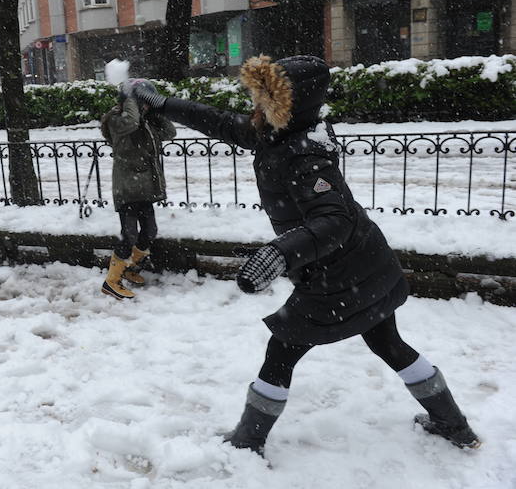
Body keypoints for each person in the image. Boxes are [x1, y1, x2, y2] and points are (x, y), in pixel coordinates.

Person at [129, 55, 479, 454]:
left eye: (265, 98)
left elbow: (333, 220)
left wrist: (280, 253)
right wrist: (161, 103)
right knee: (388, 343)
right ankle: (453, 425)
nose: (255, 107)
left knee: (282, 350)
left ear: (285, 105)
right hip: (367, 263)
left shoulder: (304, 153)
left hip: (338, 274)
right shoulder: (285, 132)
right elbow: (223, 123)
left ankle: (248, 441)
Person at [99, 80, 176, 300]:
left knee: (150, 231)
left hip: (146, 189)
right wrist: (131, 99)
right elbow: (130, 122)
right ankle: (111, 282)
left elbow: (170, 132)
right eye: (143, 102)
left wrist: (155, 112)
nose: (145, 107)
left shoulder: (146, 122)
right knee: (129, 234)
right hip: (127, 187)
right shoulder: (116, 121)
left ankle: (130, 268)